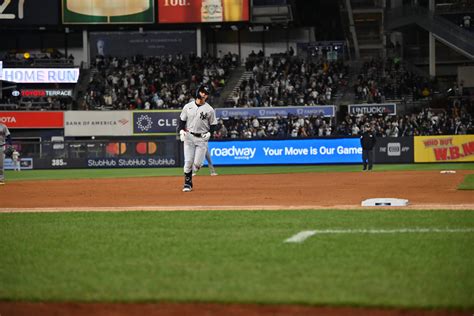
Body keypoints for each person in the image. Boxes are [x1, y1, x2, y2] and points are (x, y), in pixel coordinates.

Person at [178, 84, 218, 192]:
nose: (204, 94)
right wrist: (181, 131)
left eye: (206, 93)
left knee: (197, 164)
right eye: (202, 92)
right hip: (189, 136)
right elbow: (181, 121)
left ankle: (192, 173)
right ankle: (187, 183)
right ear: (198, 92)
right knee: (188, 161)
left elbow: (214, 124)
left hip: (202, 139)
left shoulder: (209, 109)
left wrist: (210, 132)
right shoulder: (188, 106)